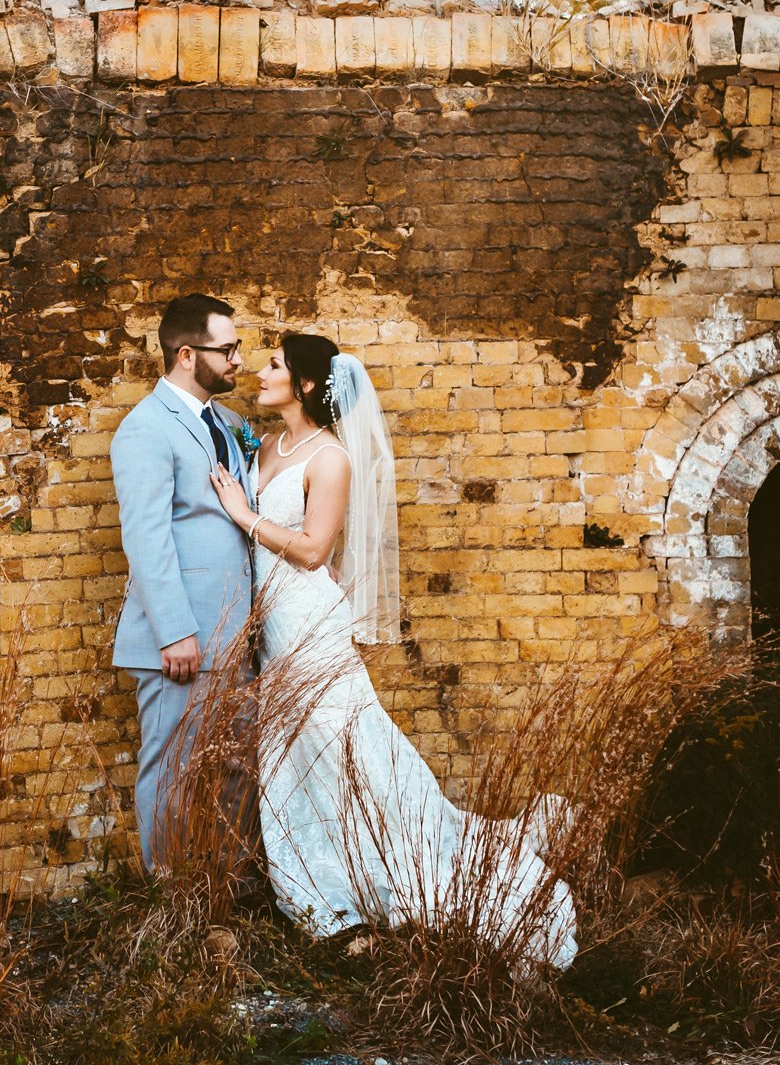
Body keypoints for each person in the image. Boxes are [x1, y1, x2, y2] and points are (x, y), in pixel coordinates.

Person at [208, 332, 578, 970]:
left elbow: (314, 549)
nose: (260, 373)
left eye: (273, 365)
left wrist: (243, 514)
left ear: (303, 385)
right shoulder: (264, 444)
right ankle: (323, 887)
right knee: (294, 756)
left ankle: (387, 869)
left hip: (308, 619)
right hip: (269, 624)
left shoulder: (330, 458)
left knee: (342, 746)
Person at [109, 293, 256, 869]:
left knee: (239, 766)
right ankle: (168, 896)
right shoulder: (145, 429)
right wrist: (173, 632)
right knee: (171, 768)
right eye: (229, 350)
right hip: (183, 640)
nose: (239, 360)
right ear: (187, 355)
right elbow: (146, 537)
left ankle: (224, 885)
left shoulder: (228, 422)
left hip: (237, 631)